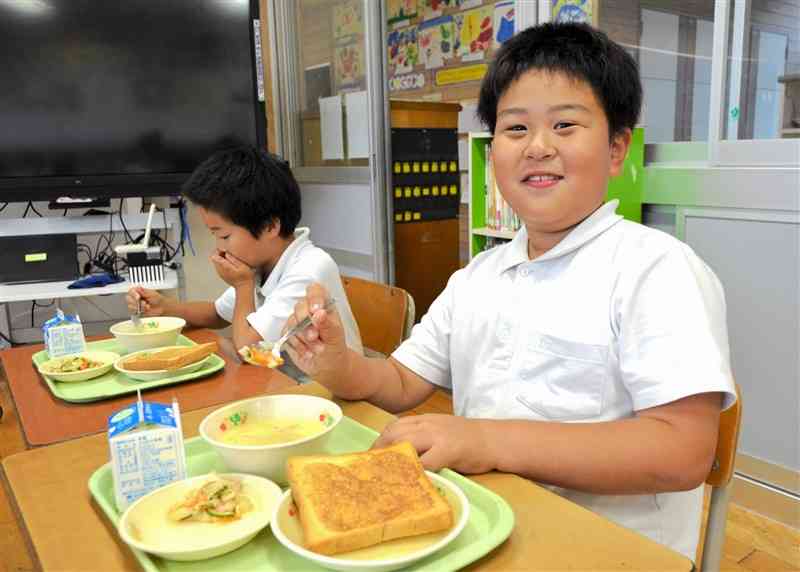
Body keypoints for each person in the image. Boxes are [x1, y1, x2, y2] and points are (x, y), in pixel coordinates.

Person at [281, 23, 736, 560]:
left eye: (565, 125)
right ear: (491, 150)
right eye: (515, 129)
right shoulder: (478, 275)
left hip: (603, 551)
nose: (538, 147)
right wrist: (338, 365)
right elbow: (403, 381)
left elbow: (681, 453)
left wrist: (482, 439)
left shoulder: (656, 270)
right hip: (481, 527)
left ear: (617, 150)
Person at [126, 145, 362, 360]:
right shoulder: (263, 262)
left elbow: (249, 350)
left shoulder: (309, 269)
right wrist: (165, 306)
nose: (219, 247)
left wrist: (242, 287)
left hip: (329, 394)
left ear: (270, 226)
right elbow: (216, 314)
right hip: (285, 383)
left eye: (225, 236)